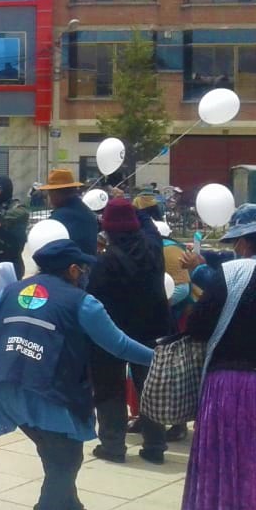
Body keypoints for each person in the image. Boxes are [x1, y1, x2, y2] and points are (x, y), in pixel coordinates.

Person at [0, 239, 153, 510]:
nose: (85, 274)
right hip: (44, 388)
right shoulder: (82, 302)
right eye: (83, 268)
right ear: (73, 270)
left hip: (3, 384)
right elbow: (118, 345)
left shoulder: (11, 290)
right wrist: (158, 357)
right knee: (67, 457)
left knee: (53, 448)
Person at [164, 205, 256, 510]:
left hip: (231, 382)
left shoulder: (233, 273)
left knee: (216, 459)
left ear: (245, 244)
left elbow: (199, 328)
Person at [83, 199, 174, 465]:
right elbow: (148, 226)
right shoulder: (154, 248)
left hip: (113, 334)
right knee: (150, 388)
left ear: (108, 229)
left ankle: (113, 444)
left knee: (109, 387)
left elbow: (93, 298)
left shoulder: (104, 262)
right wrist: (135, 208)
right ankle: (155, 445)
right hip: (152, 329)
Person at [40, 169, 99, 256]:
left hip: (68, 266)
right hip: (89, 264)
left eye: (50, 193)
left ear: (57, 194)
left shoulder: (60, 217)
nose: (50, 198)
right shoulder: (85, 210)